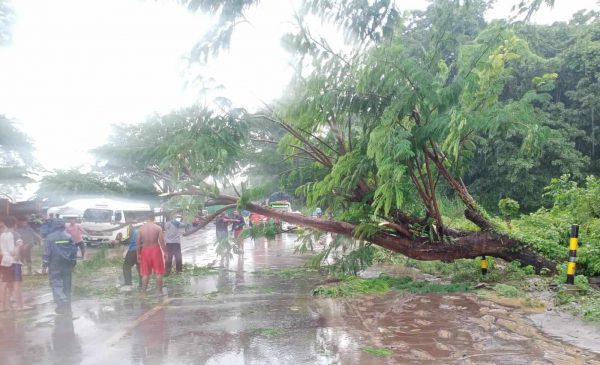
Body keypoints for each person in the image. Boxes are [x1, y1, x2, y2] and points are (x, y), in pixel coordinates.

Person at [43, 219, 77, 314]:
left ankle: (62, 303)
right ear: (63, 226)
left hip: (55, 264)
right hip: (67, 264)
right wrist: (73, 263)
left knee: (56, 283)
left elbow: (47, 253)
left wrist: (44, 265)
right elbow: (74, 251)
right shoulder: (69, 236)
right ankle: (67, 302)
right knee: (66, 284)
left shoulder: (49, 237)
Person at [0, 217, 26, 311]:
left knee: (4, 283)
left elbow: (2, 251)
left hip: (4, 262)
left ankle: (2, 307)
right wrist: (16, 256)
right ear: (15, 224)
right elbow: (16, 249)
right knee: (16, 283)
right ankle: (20, 306)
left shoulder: (2, 235)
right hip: (14, 262)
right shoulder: (16, 234)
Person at [136, 214, 167, 294]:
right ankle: (159, 292)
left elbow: (138, 243)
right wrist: (165, 252)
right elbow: (162, 242)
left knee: (145, 274)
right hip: (156, 251)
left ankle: (143, 291)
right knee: (159, 273)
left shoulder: (141, 229)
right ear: (153, 218)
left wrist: (138, 254)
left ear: (146, 219)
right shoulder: (158, 228)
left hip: (145, 251)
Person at [122, 221, 141, 290]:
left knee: (126, 265)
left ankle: (128, 283)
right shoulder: (144, 229)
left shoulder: (132, 230)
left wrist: (119, 241)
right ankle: (141, 284)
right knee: (140, 267)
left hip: (133, 250)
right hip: (142, 250)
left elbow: (126, 240)